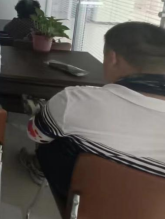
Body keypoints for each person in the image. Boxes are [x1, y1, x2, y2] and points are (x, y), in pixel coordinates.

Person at [26, 22, 165, 206]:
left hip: (81, 204)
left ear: (113, 58)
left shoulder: (75, 100)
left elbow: (36, 134)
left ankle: (37, 169)